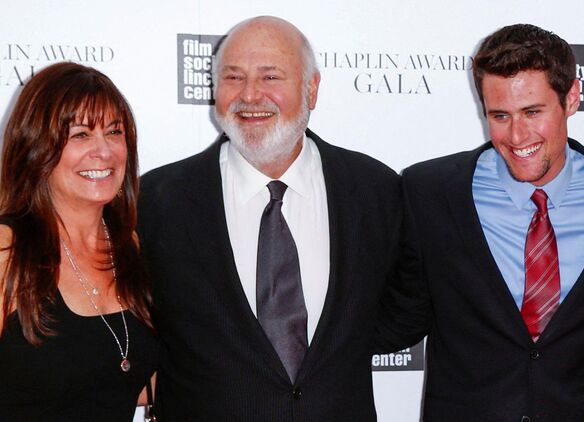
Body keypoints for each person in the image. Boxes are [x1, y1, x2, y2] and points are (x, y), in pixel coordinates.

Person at [136, 16, 420, 421]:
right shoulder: (157, 201)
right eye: (233, 77)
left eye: (270, 77)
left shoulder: (375, 190)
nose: (250, 95)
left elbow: (407, 308)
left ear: (311, 89)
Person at [393, 23, 584, 421]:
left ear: (572, 98)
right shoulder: (430, 191)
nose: (517, 136)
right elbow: (403, 312)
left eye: (532, 112)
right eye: (500, 115)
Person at [0, 62, 157, 421]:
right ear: (36, 146)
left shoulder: (132, 247)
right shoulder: (1, 253)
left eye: (114, 132)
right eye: (80, 135)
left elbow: (125, 380)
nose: (104, 151)